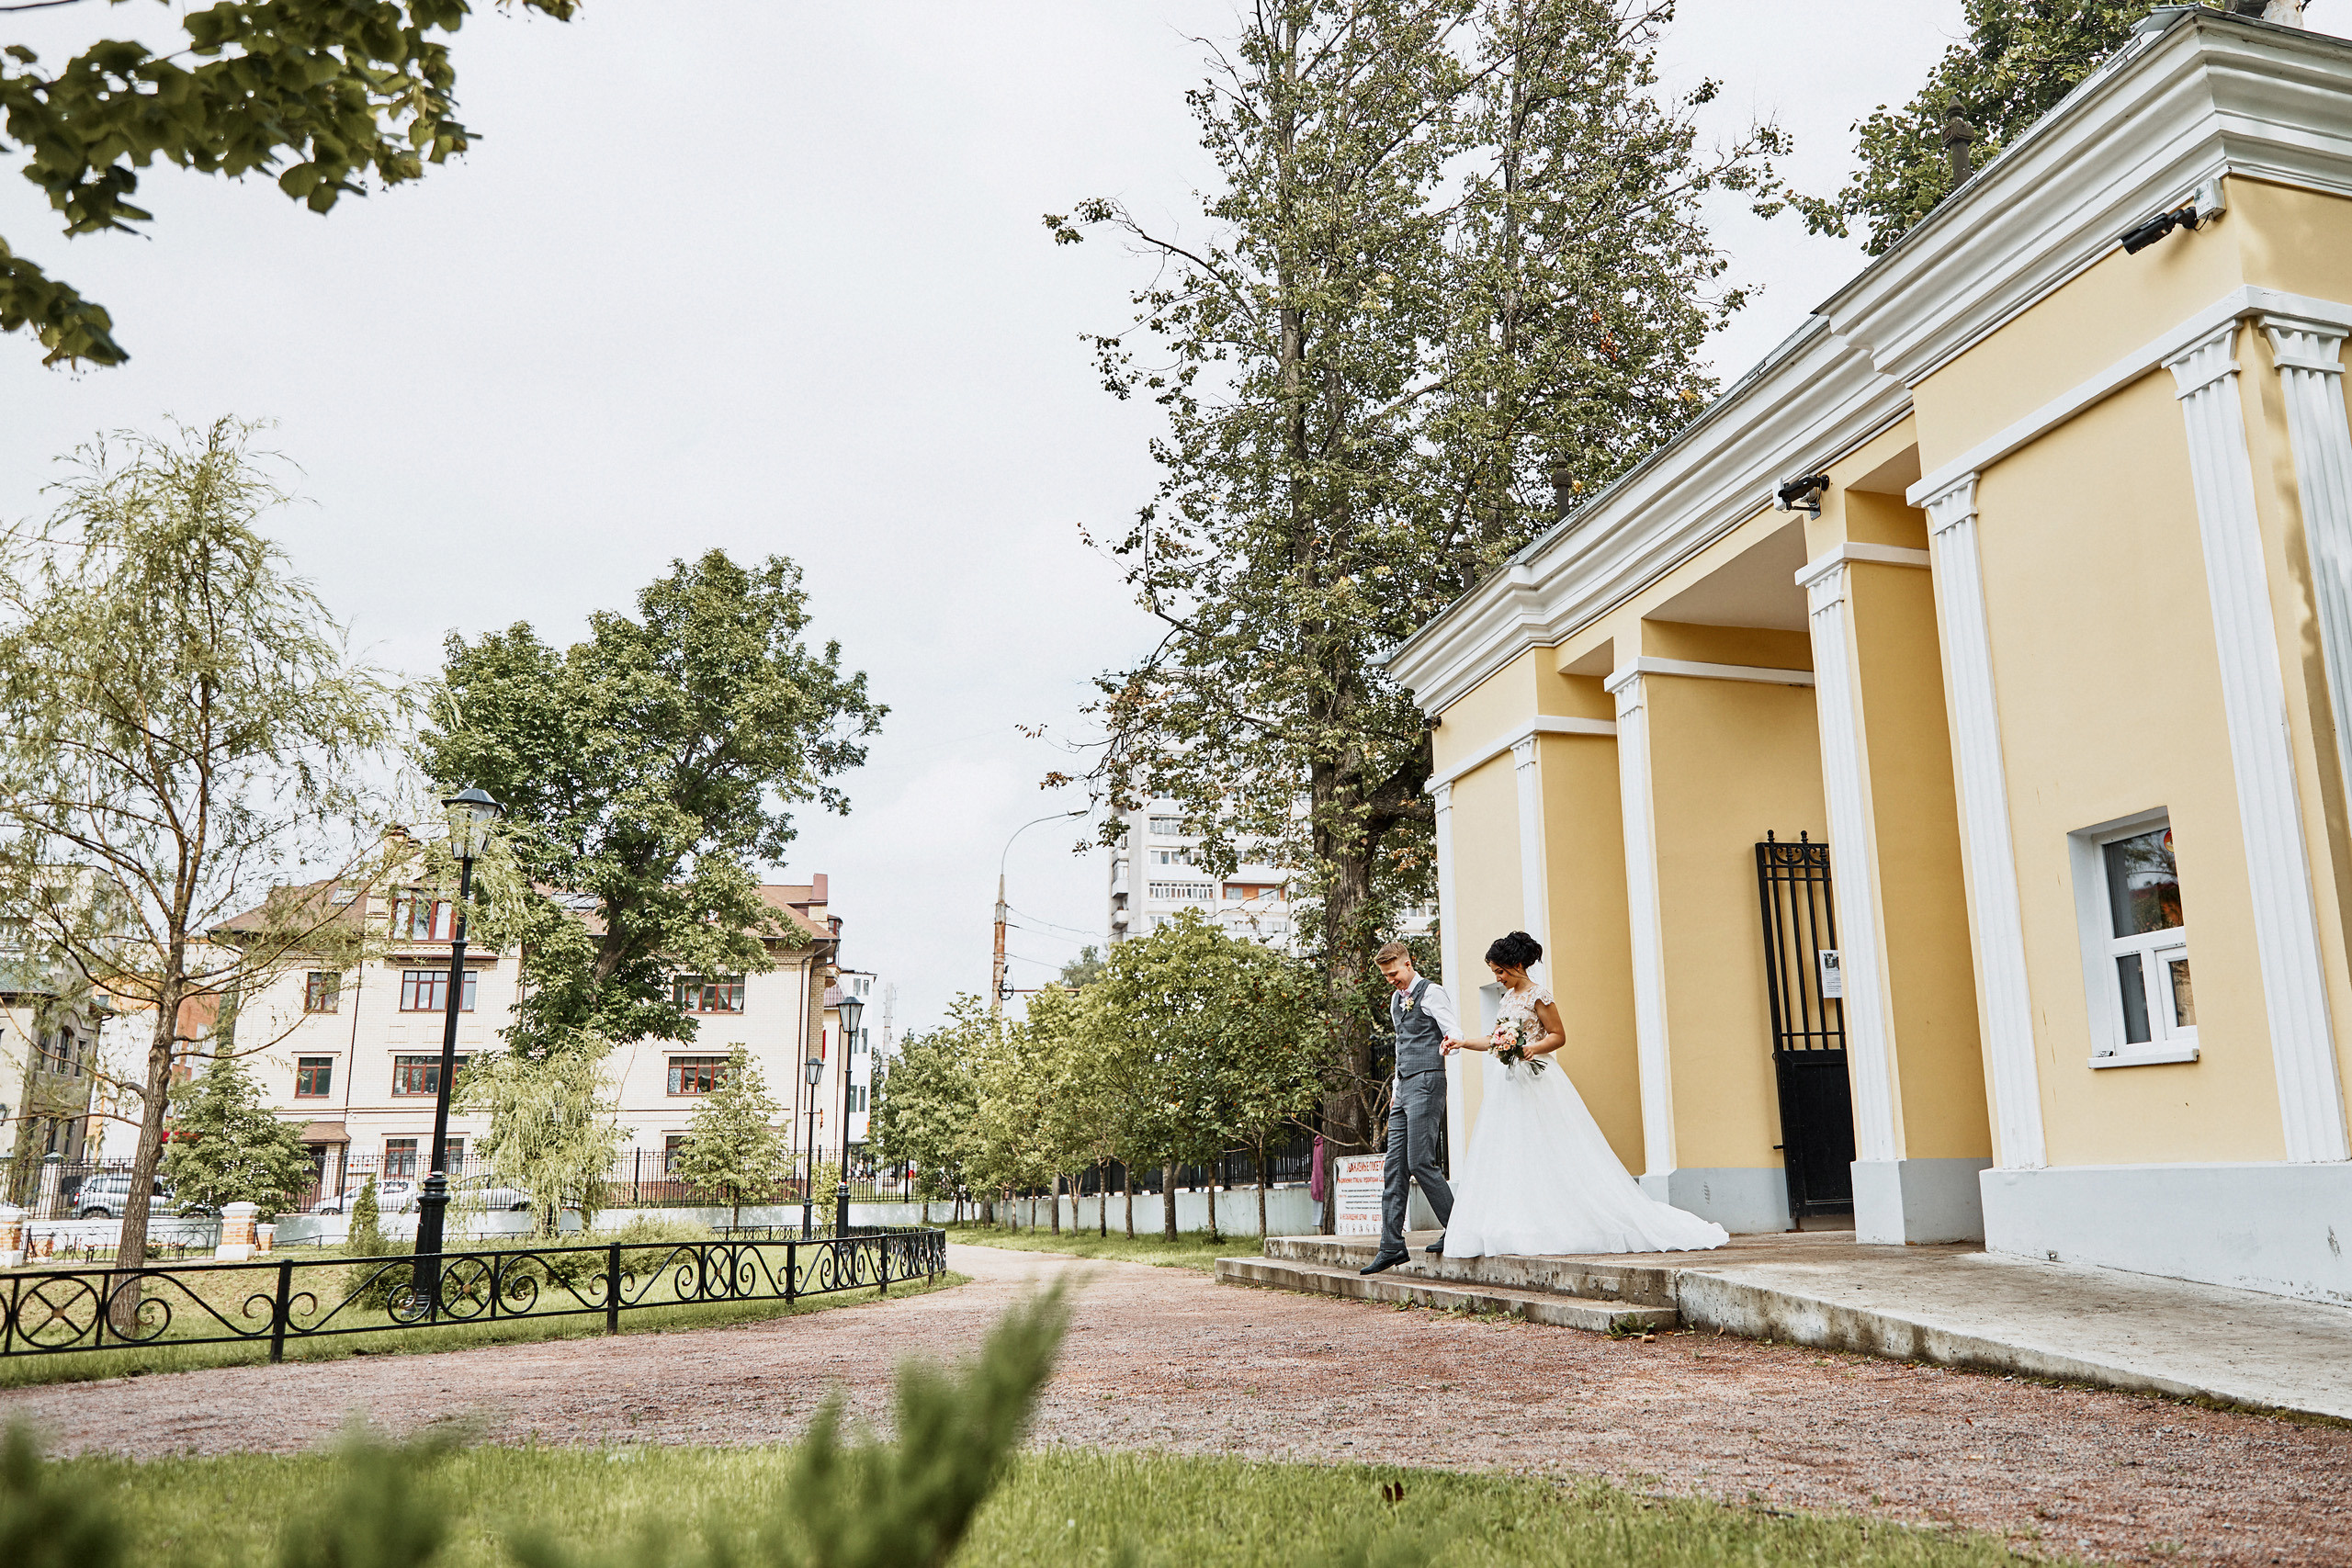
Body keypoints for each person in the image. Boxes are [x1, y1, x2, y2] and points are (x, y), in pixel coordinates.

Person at [1442, 931, 1727, 1258]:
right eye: (1494, 972)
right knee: (1514, 1150)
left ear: (1518, 965)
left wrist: (1531, 1048)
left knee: (1555, 1147)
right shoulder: (1506, 999)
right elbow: (1495, 1040)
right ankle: (1524, 1222)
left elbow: (1558, 1035)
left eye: (1500, 971)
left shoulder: (1539, 995)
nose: (1498, 978)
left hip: (1539, 1081)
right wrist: (1463, 1043)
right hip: (1511, 1085)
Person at [1358, 941, 1456, 1275]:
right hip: (1404, 1089)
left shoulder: (1432, 993)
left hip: (1428, 1081)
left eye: (1394, 973)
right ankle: (1391, 1246)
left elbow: (1453, 1032)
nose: (1391, 980)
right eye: (1386, 976)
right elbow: (1401, 1046)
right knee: (1394, 1168)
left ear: (1408, 964)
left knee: (1420, 1160)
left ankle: (1457, 1227)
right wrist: (1396, 1090)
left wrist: (1449, 1044)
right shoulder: (1395, 1000)